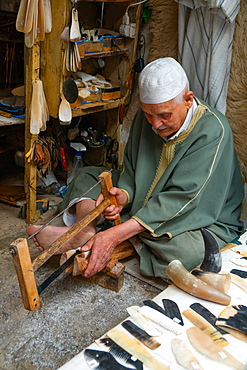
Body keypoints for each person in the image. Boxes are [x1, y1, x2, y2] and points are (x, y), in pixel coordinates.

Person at [27, 57, 244, 279]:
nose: (155, 124)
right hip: (147, 199)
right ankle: (85, 229)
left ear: (188, 100)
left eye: (164, 115)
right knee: (88, 176)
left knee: (186, 252)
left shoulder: (213, 131)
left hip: (197, 213)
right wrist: (125, 195)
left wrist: (114, 235)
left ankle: (116, 237)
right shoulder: (147, 117)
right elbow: (131, 167)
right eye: (149, 114)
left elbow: (184, 199)